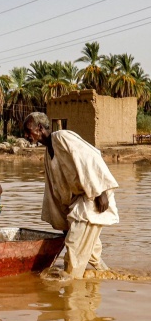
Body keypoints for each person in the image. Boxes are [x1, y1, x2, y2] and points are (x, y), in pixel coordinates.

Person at [22, 112, 117, 278]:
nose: (25, 135)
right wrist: (64, 223)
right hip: (77, 204)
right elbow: (56, 191)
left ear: (39, 128)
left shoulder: (62, 137)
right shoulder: (48, 153)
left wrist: (101, 191)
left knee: (73, 248)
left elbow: (91, 156)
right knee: (91, 253)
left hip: (92, 197)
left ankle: (72, 291)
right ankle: (108, 278)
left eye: (28, 130)